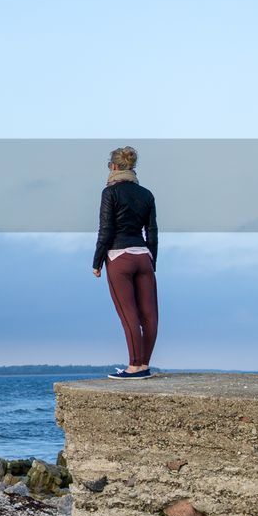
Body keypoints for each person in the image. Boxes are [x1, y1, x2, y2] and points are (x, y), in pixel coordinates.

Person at [92, 146, 159, 379]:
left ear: (113, 166)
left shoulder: (109, 193)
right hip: (144, 257)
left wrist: (97, 261)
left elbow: (106, 229)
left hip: (119, 257)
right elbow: (152, 233)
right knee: (149, 314)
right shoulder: (147, 194)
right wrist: (153, 262)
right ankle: (145, 365)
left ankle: (134, 366)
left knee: (128, 313)